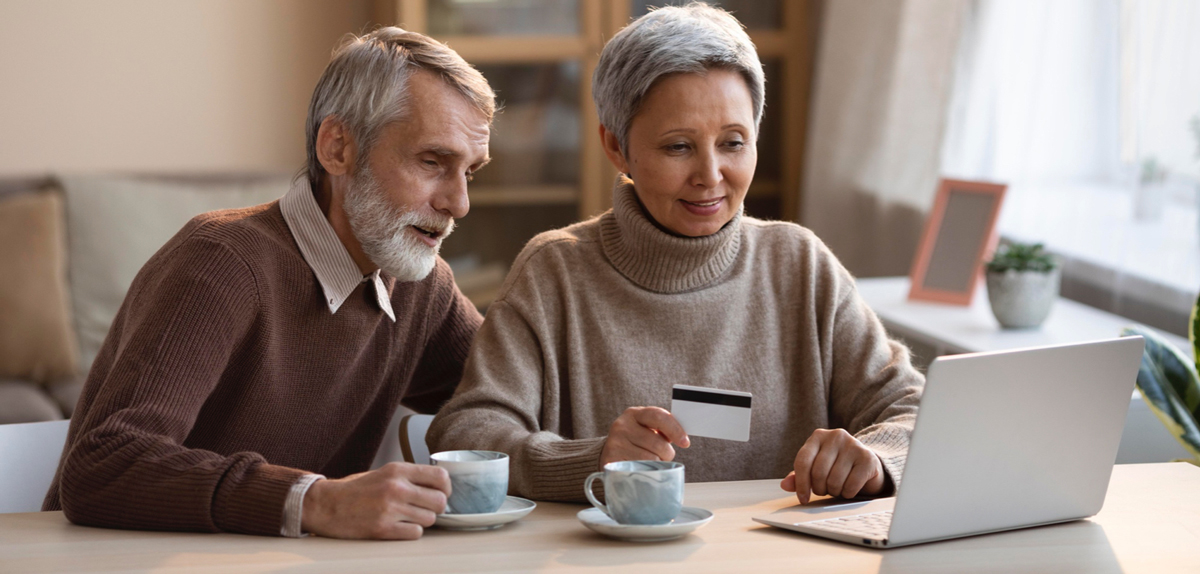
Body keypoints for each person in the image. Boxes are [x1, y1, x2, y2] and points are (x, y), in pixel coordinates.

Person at [427, 3, 923, 505]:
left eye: (733, 142)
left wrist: (876, 458)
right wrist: (592, 459)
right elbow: (467, 432)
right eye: (678, 147)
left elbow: (913, 407)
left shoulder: (799, 265)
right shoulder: (554, 272)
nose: (710, 175)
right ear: (616, 147)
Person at [42, 27, 495, 540]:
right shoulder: (219, 262)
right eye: (432, 162)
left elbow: (513, 397)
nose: (458, 204)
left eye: (470, 173)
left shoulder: (420, 285)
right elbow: (103, 467)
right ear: (337, 148)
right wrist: (315, 500)